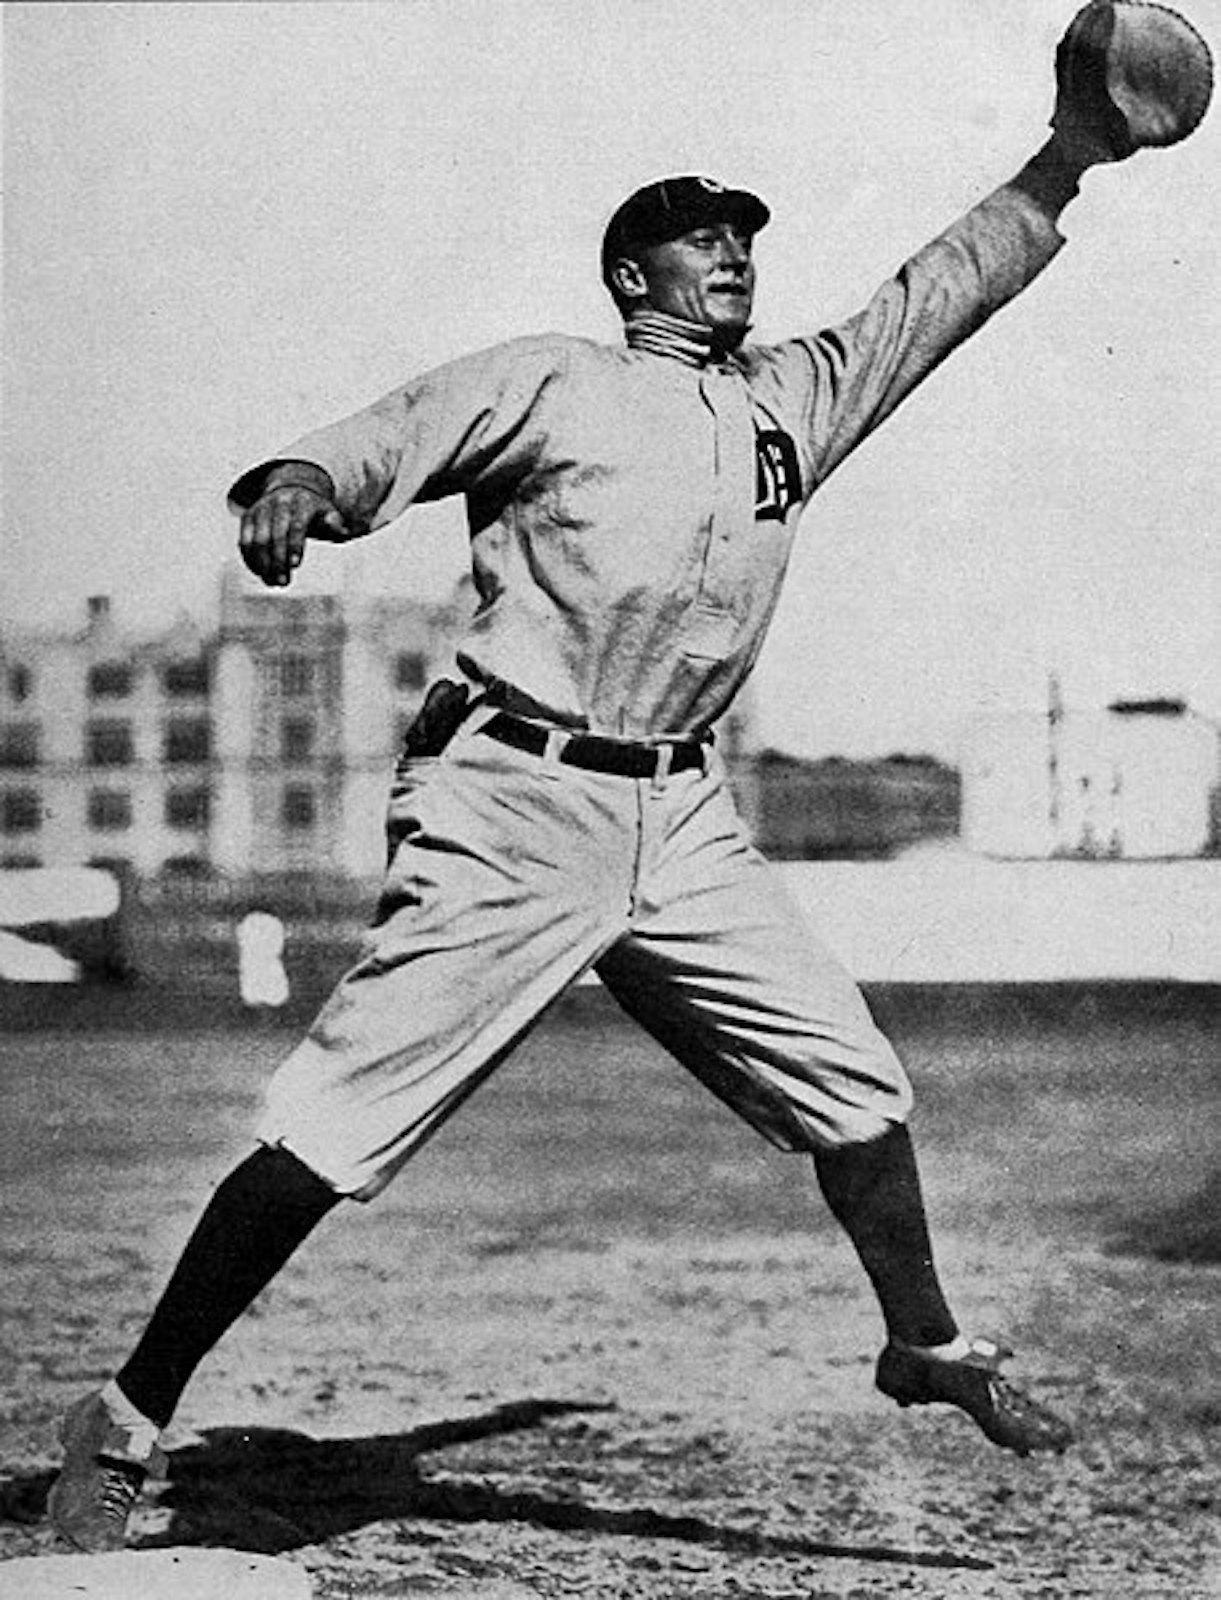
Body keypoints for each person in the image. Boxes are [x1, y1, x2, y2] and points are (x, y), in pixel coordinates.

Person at [51, 70, 1165, 1552]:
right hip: (514, 797)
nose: (735, 257)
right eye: (702, 239)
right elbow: (396, 431)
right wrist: (304, 479)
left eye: (744, 239)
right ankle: (123, 1418)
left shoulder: (789, 401)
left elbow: (930, 295)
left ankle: (926, 1345)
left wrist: (1069, 156)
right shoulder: (560, 377)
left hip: (681, 814)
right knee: (336, 1124)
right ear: (633, 272)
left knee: (858, 1088)